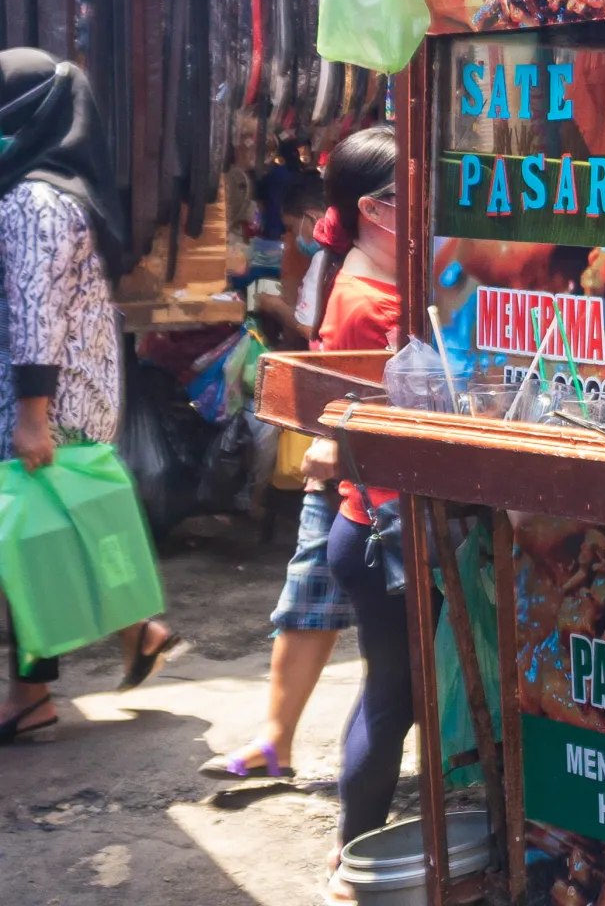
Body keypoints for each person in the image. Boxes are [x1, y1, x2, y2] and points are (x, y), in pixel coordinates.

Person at [204, 129, 397, 784]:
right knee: (320, 609)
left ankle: (276, 739)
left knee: (312, 603)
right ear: (374, 208)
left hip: (345, 472)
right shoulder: (366, 286)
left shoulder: (354, 265)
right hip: (361, 481)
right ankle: (276, 738)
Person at [0, 50, 180, 744]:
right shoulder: (48, 190)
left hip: (53, 400)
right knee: (53, 532)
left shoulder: (34, 200)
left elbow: (35, 311)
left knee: (29, 537)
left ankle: (34, 691)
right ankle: (130, 636)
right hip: (62, 393)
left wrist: (31, 416)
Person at [313, 127, 409, 901]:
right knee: (392, 699)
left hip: (368, 528)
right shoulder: (370, 304)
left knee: (389, 690)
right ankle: (355, 863)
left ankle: (356, 853)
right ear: (378, 211)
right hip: (380, 535)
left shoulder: (371, 285)